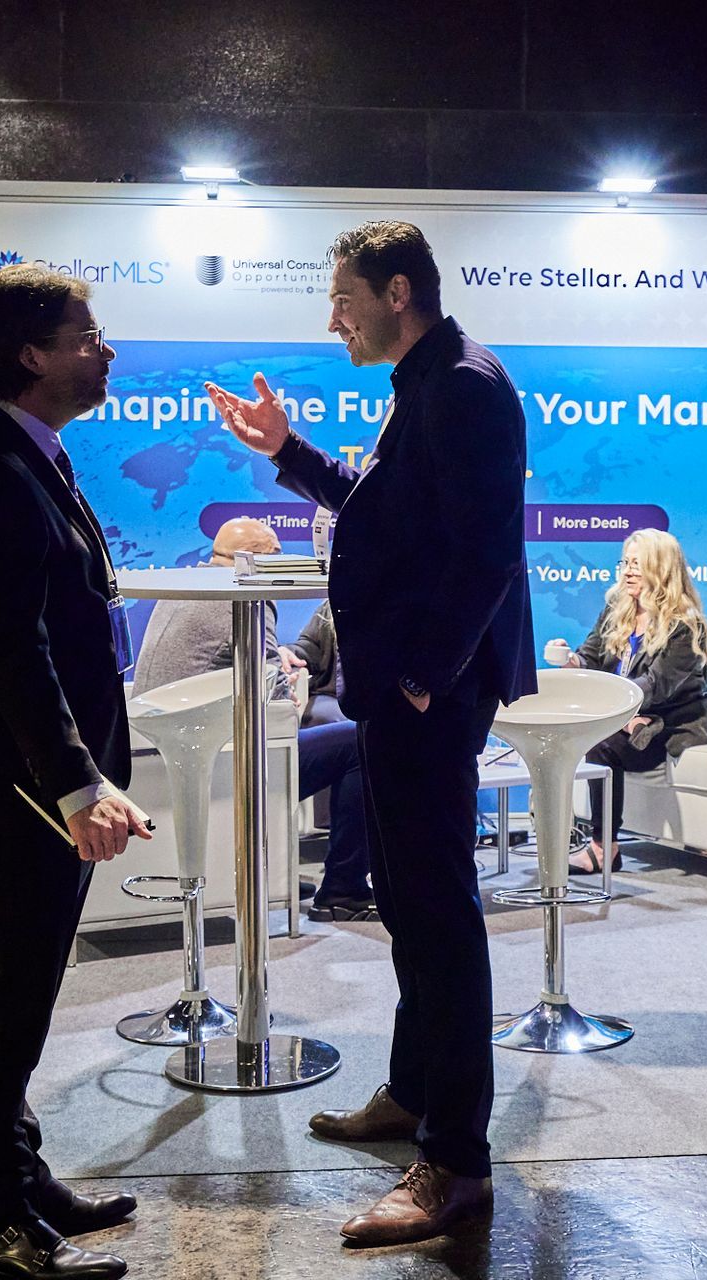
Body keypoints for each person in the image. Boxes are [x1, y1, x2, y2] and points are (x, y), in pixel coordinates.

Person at [204, 219, 535, 1247]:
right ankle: (410, 1090)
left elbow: (487, 555)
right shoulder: (426, 383)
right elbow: (382, 516)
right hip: (400, 694)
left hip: (424, 696)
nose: (331, 318)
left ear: (399, 290)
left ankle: (455, 1161)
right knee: (404, 897)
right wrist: (288, 451)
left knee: (439, 910)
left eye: (343, 299)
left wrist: (425, 677)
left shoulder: (465, 385)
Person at [0, 263, 148, 1280]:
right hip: (20, 792)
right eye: (86, 335)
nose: (105, 351)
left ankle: (21, 1179)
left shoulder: (33, 458)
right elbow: (15, 651)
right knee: (2, 1007)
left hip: (43, 787)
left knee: (24, 1000)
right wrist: (76, 782)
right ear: (32, 354)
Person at [130, 545, 377, 923]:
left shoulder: (182, 591)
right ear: (255, 562)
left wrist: (284, 659)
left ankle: (278, 873)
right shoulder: (242, 598)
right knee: (358, 743)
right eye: (276, 555)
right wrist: (286, 678)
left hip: (163, 756)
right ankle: (343, 891)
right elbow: (276, 698)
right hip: (219, 762)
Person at [548, 528, 707, 874]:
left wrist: (616, 712)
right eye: (626, 562)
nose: (627, 571)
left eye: (638, 564)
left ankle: (603, 848)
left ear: (661, 569)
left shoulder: (685, 626)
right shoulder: (618, 609)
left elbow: (655, 687)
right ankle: (562, 834)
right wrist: (570, 661)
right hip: (626, 717)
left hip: (671, 725)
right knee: (570, 733)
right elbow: (591, 656)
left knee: (603, 743)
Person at [129, 517, 284, 694]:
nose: (279, 563)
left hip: (144, 715)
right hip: (191, 717)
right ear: (248, 559)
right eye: (275, 556)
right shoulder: (245, 598)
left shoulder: (182, 586)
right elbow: (270, 679)